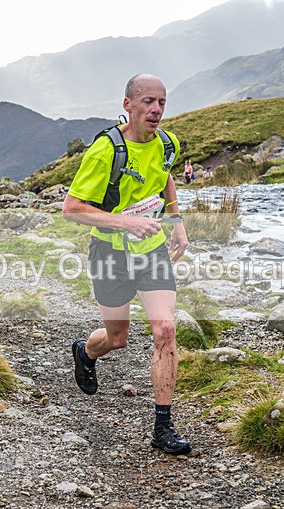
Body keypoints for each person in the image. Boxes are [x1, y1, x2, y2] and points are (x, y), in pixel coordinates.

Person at [62, 74, 191, 455]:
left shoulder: (167, 143)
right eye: (148, 101)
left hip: (152, 252)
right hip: (110, 253)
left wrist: (176, 221)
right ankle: (86, 352)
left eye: (161, 102)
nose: (156, 109)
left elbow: (164, 176)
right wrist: (126, 222)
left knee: (165, 330)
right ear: (128, 104)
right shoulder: (105, 151)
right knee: (117, 338)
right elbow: (72, 209)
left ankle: (163, 427)